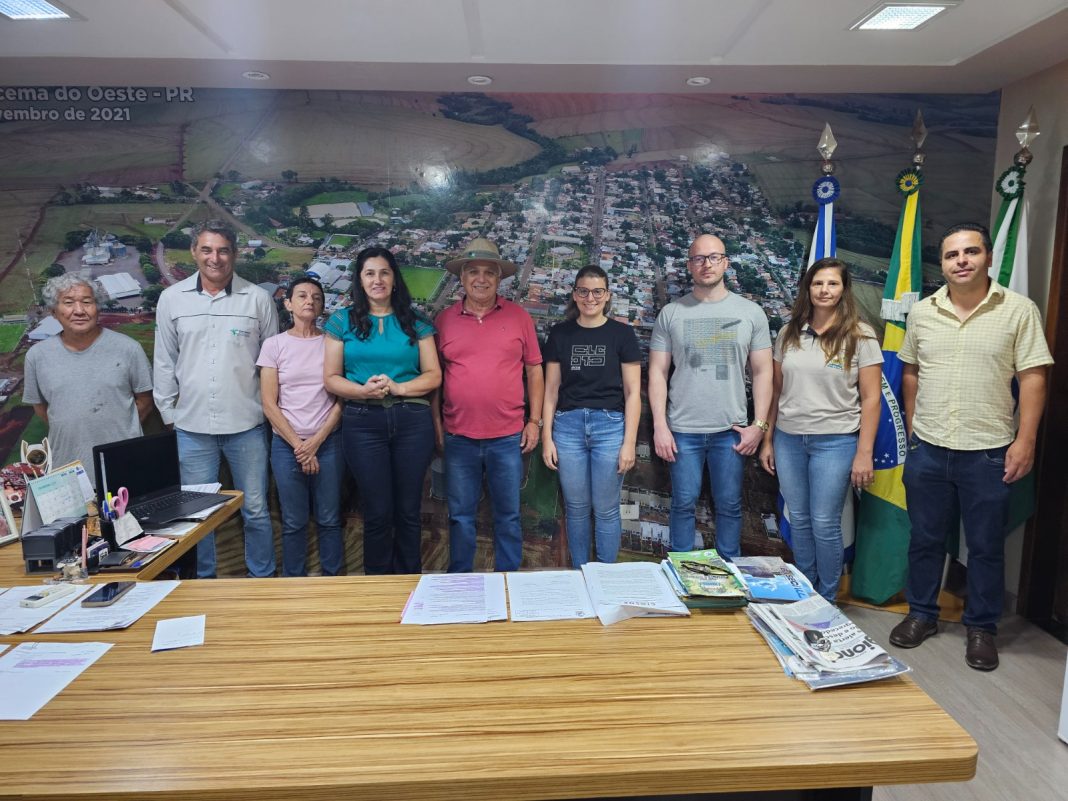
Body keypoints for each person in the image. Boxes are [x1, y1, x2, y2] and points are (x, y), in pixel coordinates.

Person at [888, 223, 1052, 672]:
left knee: (984, 547)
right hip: (929, 448)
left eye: (970, 252)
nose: (961, 261)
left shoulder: (1018, 311)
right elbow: (911, 371)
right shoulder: (923, 313)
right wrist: (912, 424)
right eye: (951, 255)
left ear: (987, 258)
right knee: (924, 539)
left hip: (988, 451)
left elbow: (1033, 377)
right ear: (941, 264)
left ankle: (981, 628)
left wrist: (1026, 440)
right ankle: (922, 614)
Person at [153, 219, 278, 578]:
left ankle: (261, 579)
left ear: (234, 254)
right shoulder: (171, 299)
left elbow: (271, 363)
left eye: (223, 250)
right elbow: (164, 360)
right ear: (194, 252)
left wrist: (268, 412)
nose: (215, 258)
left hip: (247, 425)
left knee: (256, 509)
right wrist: (169, 414)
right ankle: (203, 582)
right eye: (207, 249)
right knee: (196, 514)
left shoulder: (257, 299)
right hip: (191, 428)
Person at [758, 258, 882, 603]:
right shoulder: (789, 333)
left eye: (832, 283)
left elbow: (872, 399)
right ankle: (805, 590)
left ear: (844, 289)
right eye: (817, 283)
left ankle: (826, 599)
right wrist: (767, 439)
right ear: (807, 289)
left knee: (825, 522)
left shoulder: (861, 335)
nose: (824, 290)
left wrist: (864, 453)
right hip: (789, 439)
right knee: (799, 518)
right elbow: (776, 391)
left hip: (836, 442)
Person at [648, 233, 772, 558]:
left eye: (714, 257)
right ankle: (681, 569)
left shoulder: (751, 313)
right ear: (689, 265)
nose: (707, 264)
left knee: (729, 505)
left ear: (726, 262)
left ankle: (731, 570)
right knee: (682, 503)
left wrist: (759, 425)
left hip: (731, 431)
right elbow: (657, 372)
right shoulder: (671, 313)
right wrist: (660, 426)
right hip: (682, 430)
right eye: (699, 258)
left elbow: (763, 372)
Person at [324, 248, 440, 574]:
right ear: (360, 280)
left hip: (412, 421)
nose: (378, 280)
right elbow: (331, 378)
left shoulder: (416, 322)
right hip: (362, 423)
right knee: (376, 511)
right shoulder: (341, 321)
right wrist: (362, 391)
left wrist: (400, 388)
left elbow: (434, 375)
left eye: (384, 272)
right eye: (370, 273)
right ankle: (377, 589)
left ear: (394, 279)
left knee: (408, 510)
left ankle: (409, 585)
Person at [434, 237, 544, 573]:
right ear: (462, 277)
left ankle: (508, 580)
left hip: (507, 437)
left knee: (508, 515)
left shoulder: (519, 317)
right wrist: (438, 427)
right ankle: (461, 581)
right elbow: (434, 377)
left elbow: (534, 371)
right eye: (473, 272)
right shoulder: (444, 320)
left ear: (499, 278)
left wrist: (534, 421)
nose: (481, 279)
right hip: (459, 437)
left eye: (489, 273)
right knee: (460, 516)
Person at [541, 265, 641, 566]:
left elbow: (633, 393)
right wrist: (546, 438)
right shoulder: (560, 333)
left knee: (606, 509)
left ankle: (605, 578)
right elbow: (551, 390)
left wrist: (629, 443)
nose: (590, 298)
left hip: (610, 428)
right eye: (583, 291)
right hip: (567, 427)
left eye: (598, 291)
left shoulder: (622, 334)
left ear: (607, 295)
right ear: (575, 294)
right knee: (576, 509)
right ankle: (580, 573)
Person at [23, 275, 153, 489]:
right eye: (68, 302)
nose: (79, 310)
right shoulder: (37, 356)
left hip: (123, 462)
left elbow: (145, 401)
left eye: (87, 301)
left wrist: (116, 428)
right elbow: (41, 409)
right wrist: (78, 430)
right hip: (67, 468)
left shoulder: (128, 348)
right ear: (54, 312)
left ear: (97, 308)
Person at [258, 277, 344, 577]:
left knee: (329, 519)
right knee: (293, 521)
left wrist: (315, 443)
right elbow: (269, 403)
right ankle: (293, 584)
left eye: (317, 297)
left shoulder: (333, 344)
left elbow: (341, 401)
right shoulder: (274, 345)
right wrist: (300, 446)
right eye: (303, 296)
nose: (310, 301)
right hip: (287, 446)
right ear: (288, 303)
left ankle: (333, 583)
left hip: (328, 443)